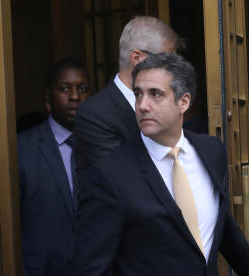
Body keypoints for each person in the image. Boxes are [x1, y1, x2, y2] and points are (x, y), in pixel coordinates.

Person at [73, 53, 249, 276]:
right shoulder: (109, 177)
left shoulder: (211, 151)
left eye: (155, 94)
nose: (143, 105)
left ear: (183, 102)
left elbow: (214, 218)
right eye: (138, 94)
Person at [18, 58, 91, 276]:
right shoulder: (20, 149)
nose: (74, 96)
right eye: (65, 88)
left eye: (82, 88)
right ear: (48, 98)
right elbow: (6, 223)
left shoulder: (105, 147)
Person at [73, 16, 183, 178]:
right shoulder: (94, 115)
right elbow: (125, 181)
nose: (175, 71)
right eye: (167, 61)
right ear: (138, 59)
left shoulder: (168, 103)